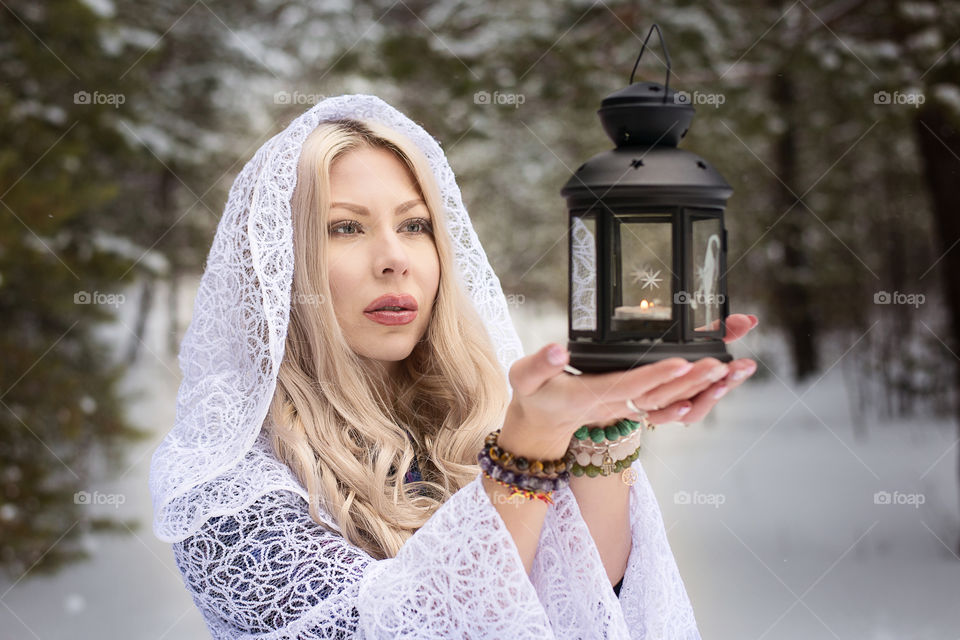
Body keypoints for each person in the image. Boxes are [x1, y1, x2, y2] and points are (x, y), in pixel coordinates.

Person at [149, 94, 758, 639]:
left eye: (415, 225)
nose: (394, 259)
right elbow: (394, 627)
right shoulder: (224, 486)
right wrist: (531, 448)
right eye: (344, 228)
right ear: (278, 263)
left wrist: (600, 426)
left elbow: (591, 604)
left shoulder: (478, 416)